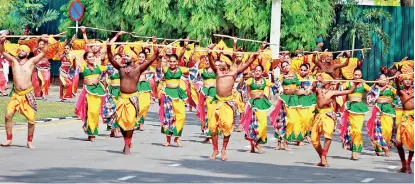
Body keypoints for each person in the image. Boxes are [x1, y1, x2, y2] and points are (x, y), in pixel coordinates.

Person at [207, 44, 259, 161]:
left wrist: (254, 57)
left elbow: (246, 65)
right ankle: (215, 149)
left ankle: (224, 149)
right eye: (219, 63)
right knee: (213, 127)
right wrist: (209, 53)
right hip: (217, 102)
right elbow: (211, 62)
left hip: (228, 103)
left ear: (227, 63)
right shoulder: (217, 72)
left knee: (227, 126)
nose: (219, 64)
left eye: (222, 62)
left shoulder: (234, 73)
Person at [107, 41, 159, 155]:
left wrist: (157, 51)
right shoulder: (120, 68)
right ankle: (126, 140)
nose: (125, 57)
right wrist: (108, 47)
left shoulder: (138, 69)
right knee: (120, 122)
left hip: (132, 99)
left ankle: (127, 144)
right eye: (124, 55)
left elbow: (151, 59)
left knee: (130, 122)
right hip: (121, 98)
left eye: (127, 55)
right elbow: (111, 59)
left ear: (134, 58)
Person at [0, 34, 49, 149]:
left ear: (27, 53)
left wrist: (45, 41)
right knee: (8, 115)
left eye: (24, 50)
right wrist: (1, 42)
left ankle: (29, 141)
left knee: (31, 120)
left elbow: (43, 53)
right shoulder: (13, 61)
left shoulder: (31, 62)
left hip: (27, 94)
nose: (21, 51)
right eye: (20, 50)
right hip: (16, 95)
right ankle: (9, 139)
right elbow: (2, 52)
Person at [310, 73, 358, 167]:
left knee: (328, 135)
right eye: (321, 78)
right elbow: (312, 89)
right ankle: (322, 159)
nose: (322, 79)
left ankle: (323, 157)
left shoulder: (333, 92)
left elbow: (349, 91)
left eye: (323, 78)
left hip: (328, 115)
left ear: (328, 81)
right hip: (319, 115)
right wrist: (315, 80)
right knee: (314, 140)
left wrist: (355, 84)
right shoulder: (318, 90)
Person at [338, 67, 371, 160]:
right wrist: (338, 83)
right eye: (355, 75)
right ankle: (352, 151)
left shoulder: (363, 85)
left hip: (360, 109)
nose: (357, 76)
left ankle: (355, 151)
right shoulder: (348, 83)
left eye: (359, 75)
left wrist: (377, 85)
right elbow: (340, 89)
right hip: (350, 108)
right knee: (352, 131)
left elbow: (372, 92)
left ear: (361, 76)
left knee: (358, 131)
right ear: (353, 75)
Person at [74, 51, 107, 142]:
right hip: (88, 92)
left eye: (93, 56)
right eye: (89, 57)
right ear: (86, 59)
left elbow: (110, 67)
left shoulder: (99, 67)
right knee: (91, 111)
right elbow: (74, 68)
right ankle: (91, 131)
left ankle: (92, 131)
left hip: (98, 91)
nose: (92, 58)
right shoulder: (83, 68)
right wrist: (73, 60)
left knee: (95, 112)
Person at [241, 65, 275, 153]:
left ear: (262, 72)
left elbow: (274, 85)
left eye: (259, 71)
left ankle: (256, 143)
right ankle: (255, 146)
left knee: (263, 124)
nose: (257, 72)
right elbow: (247, 91)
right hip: (252, 103)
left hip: (262, 104)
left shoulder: (265, 81)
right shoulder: (250, 81)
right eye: (256, 70)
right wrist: (247, 104)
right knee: (252, 125)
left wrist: (273, 75)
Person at [366, 74, 396, 157]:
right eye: (381, 79)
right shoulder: (375, 89)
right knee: (377, 129)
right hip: (378, 109)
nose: (383, 81)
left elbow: (397, 96)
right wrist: (382, 87)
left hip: (389, 110)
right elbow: (371, 97)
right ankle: (380, 148)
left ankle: (385, 145)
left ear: (387, 80)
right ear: (378, 80)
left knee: (388, 130)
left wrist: (393, 103)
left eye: (385, 79)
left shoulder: (391, 88)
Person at [394, 73, 414, 174]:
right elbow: (397, 87)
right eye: (405, 79)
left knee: (413, 143)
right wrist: (397, 80)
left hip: (413, 119)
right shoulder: (401, 92)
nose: (407, 81)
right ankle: (403, 165)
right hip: (405, 118)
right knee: (398, 143)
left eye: (409, 79)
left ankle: (408, 164)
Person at [297, 63, 317, 143]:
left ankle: (307, 134)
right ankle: (300, 138)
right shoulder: (296, 79)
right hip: (300, 100)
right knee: (302, 119)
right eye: (301, 70)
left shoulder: (311, 78)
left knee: (310, 118)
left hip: (310, 100)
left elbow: (314, 87)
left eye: (305, 70)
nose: (303, 72)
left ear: (308, 71)